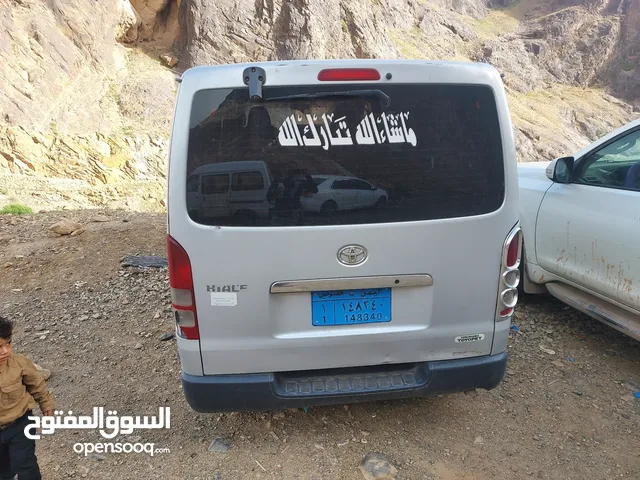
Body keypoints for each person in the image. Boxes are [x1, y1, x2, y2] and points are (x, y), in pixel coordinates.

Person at [0, 315, 54, 480]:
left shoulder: (19, 364)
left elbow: (36, 385)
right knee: (3, 469)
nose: (5, 351)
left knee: (25, 464)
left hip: (20, 424)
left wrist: (47, 407)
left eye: (8, 343)